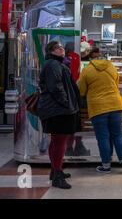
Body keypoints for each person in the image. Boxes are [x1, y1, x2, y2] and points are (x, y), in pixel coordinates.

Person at [78, 55, 122, 174]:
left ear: (91, 60)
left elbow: (81, 90)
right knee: (118, 135)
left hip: (98, 107)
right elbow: (116, 83)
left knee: (103, 137)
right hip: (115, 105)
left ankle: (106, 166)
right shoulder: (111, 67)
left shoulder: (87, 70)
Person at [36, 41, 80, 189]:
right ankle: (57, 177)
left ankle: (56, 170)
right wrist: (67, 103)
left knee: (56, 141)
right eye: (57, 48)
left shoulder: (55, 64)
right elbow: (56, 87)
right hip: (58, 109)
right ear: (51, 51)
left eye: (61, 47)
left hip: (57, 108)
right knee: (59, 142)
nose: (61, 49)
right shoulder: (53, 64)